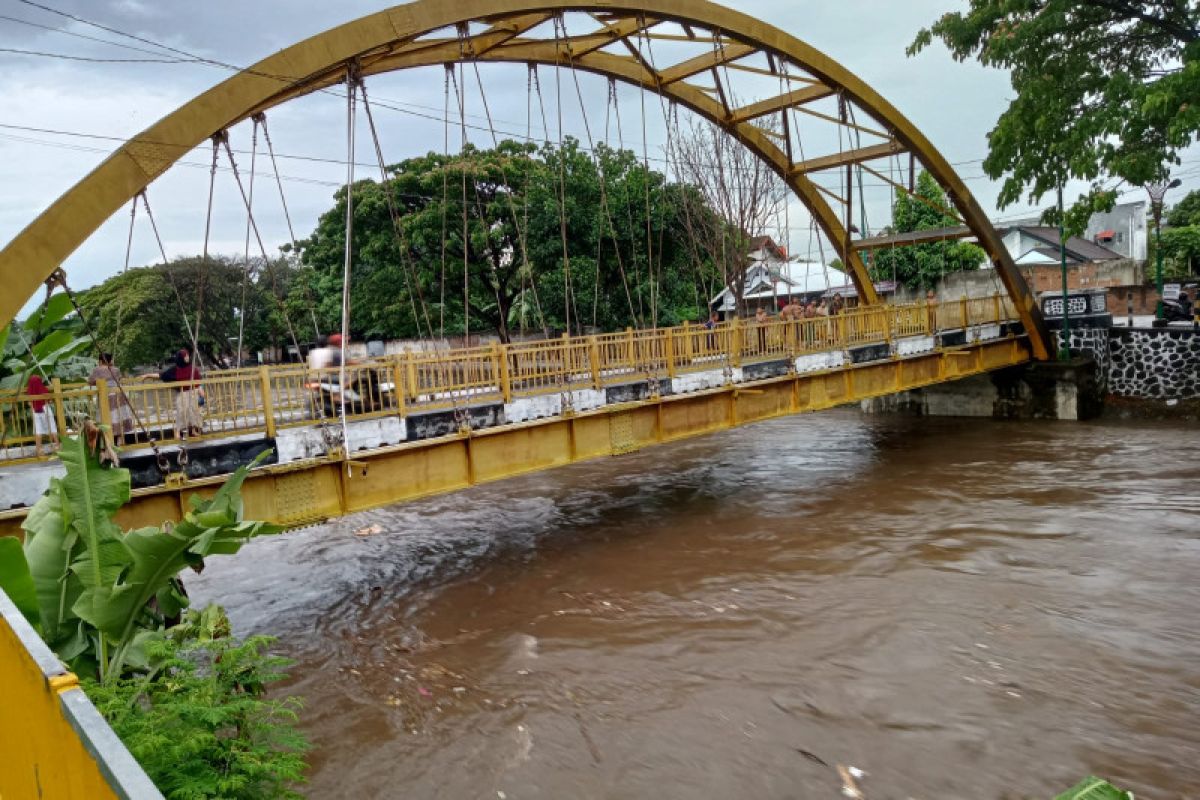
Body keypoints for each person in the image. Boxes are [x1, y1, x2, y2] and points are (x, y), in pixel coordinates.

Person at [89, 353, 134, 444]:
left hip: (105, 396)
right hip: (118, 395)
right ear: (110, 361)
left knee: (105, 418)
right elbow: (119, 379)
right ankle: (116, 442)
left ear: (100, 361)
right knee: (116, 417)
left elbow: (90, 381)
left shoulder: (97, 369)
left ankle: (107, 443)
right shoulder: (116, 369)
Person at [163, 348, 203, 439]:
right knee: (181, 412)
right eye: (185, 356)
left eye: (188, 356)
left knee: (193, 411)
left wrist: (200, 388)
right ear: (181, 358)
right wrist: (148, 375)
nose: (187, 358)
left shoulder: (192, 368)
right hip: (183, 393)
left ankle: (193, 430)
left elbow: (198, 380)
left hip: (193, 392)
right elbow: (163, 375)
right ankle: (177, 431)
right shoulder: (176, 369)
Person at [27, 373, 58, 456]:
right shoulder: (43, 389)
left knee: (38, 429)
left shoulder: (30, 391)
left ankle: (39, 449)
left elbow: (29, 403)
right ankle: (57, 445)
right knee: (52, 426)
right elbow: (49, 400)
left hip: (35, 410)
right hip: (45, 409)